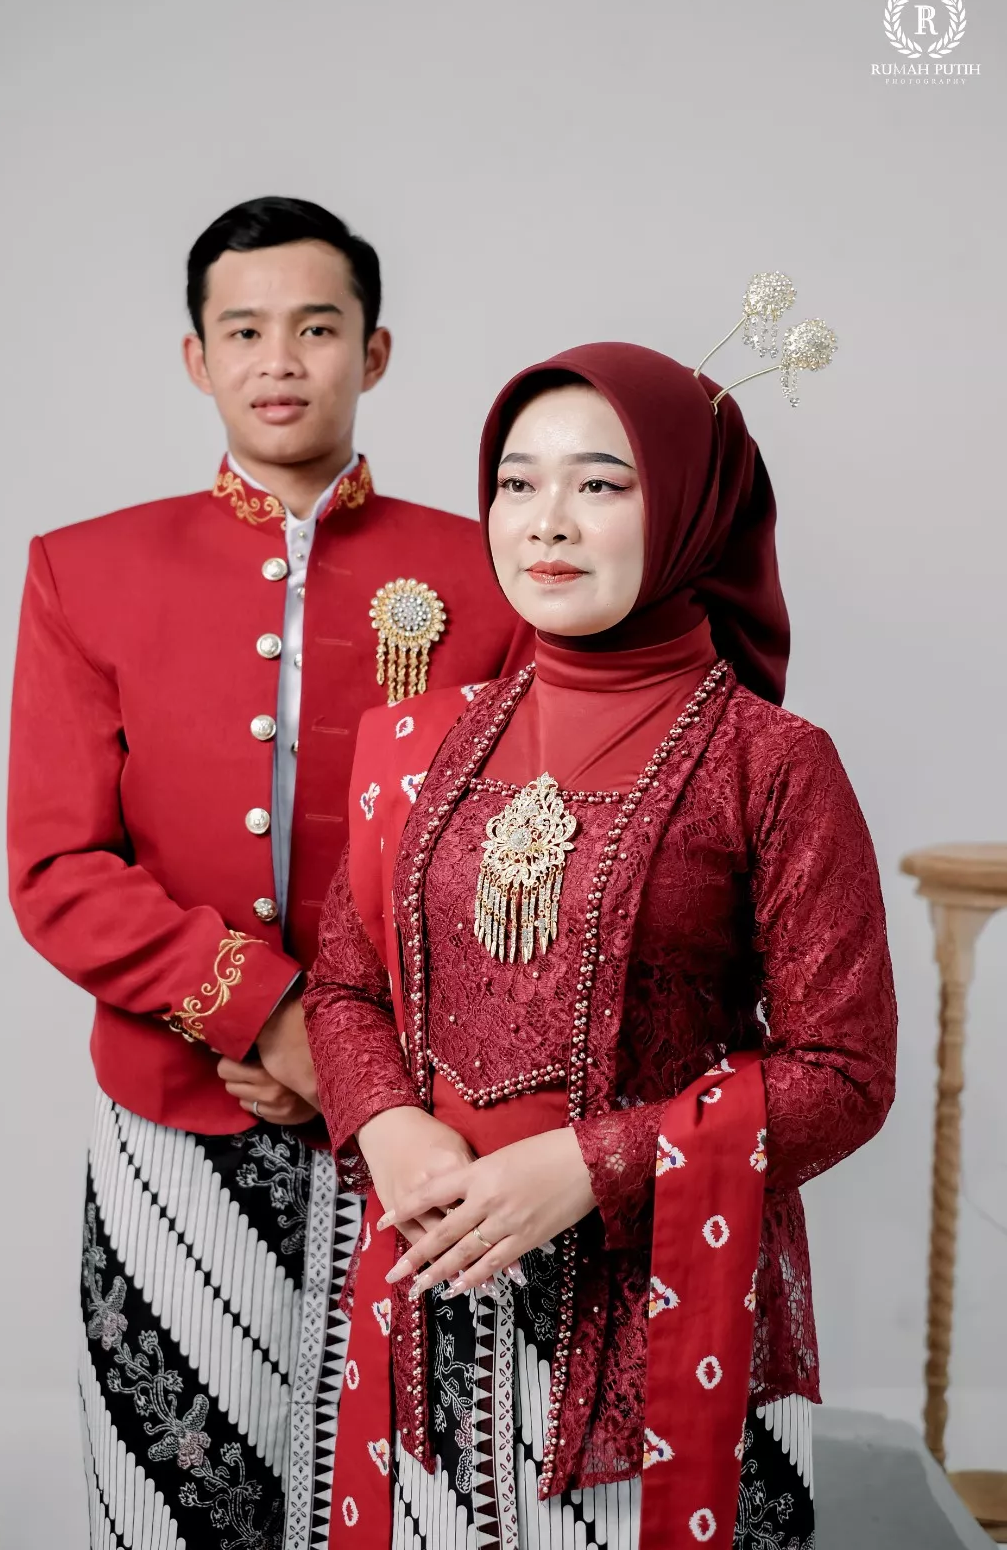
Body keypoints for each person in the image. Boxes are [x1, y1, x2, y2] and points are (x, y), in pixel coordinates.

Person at [303, 343, 898, 1549]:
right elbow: (346, 986)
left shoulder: (772, 764)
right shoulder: (422, 741)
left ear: (686, 511)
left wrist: (594, 1165)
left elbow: (844, 1071)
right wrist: (388, 1123)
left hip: (665, 1331)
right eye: (516, 484)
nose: (547, 522)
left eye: (600, 484)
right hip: (435, 1319)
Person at [7, 196, 530, 1550]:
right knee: (179, 1501)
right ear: (197, 359)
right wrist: (267, 1013)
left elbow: (524, 854)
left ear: (376, 350)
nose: (279, 359)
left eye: (316, 327)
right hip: (174, 1112)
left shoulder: (487, 569)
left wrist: (354, 1055)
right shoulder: (83, 570)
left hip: (426, 1125)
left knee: (421, 1504)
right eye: (243, 331)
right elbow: (57, 867)